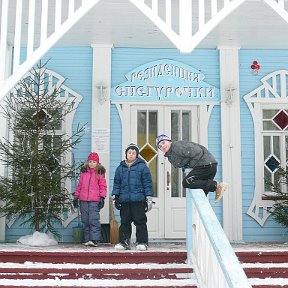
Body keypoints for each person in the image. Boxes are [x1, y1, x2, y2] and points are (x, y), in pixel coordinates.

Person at [155, 134, 227, 203]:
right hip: (209, 165)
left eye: (163, 142)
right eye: (160, 146)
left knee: (187, 182)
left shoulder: (177, 146)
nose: (163, 146)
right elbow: (184, 161)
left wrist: (191, 165)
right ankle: (207, 200)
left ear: (169, 141)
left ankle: (216, 185)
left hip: (205, 165)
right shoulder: (171, 154)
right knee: (201, 195)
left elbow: (197, 151)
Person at [112, 143, 153, 251]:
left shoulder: (142, 167)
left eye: (133, 153)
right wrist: (115, 196)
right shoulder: (120, 168)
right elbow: (117, 183)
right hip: (125, 200)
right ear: (126, 154)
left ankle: (142, 242)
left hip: (138, 199)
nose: (131, 154)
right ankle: (124, 242)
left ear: (137, 155)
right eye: (129, 152)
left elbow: (147, 183)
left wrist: (148, 197)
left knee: (140, 221)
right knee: (125, 221)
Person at [74, 152, 107, 247]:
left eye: (94, 162)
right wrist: (76, 197)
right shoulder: (84, 173)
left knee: (93, 219)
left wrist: (102, 197)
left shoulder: (99, 173)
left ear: (97, 163)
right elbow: (79, 186)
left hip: (94, 200)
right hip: (83, 200)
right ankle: (87, 239)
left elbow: (103, 186)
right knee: (85, 220)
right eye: (90, 162)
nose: (92, 164)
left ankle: (95, 239)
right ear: (88, 162)